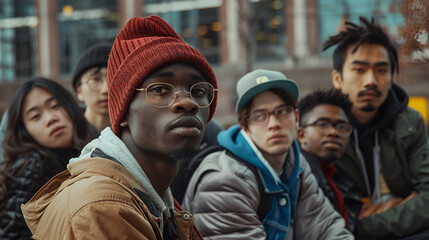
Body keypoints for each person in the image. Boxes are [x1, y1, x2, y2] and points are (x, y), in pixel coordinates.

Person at [21, 15, 217, 239]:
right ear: (123, 112)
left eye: (199, 91)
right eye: (161, 90)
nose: (188, 102)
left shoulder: (158, 199)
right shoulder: (102, 206)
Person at [183, 69, 352, 239]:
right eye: (260, 115)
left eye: (282, 111)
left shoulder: (297, 165)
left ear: (297, 117)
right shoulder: (225, 180)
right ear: (245, 127)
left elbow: (324, 227)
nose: (274, 124)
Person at [323, 16, 429, 239]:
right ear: (337, 78)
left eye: (381, 70)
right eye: (359, 70)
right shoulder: (320, 130)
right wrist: (404, 204)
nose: (370, 80)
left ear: (391, 77)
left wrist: (365, 226)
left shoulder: (410, 123)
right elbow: (324, 210)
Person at [0, 77, 93, 239]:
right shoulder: (32, 166)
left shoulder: (82, 152)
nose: (51, 119)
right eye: (36, 116)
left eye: (55, 106)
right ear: (24, 131)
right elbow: (11, 234)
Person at [297, 88, 362, 232]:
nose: (333, 132)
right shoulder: (297, 177)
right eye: (322, 124)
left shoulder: (337, 180)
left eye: (342, 127)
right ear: (301, 134)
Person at [72, 43, 111, 134]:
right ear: (79, 91)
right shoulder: (69, 136)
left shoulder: (135, 138)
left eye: (113, 78)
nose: (105, 90)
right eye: (95, 79)